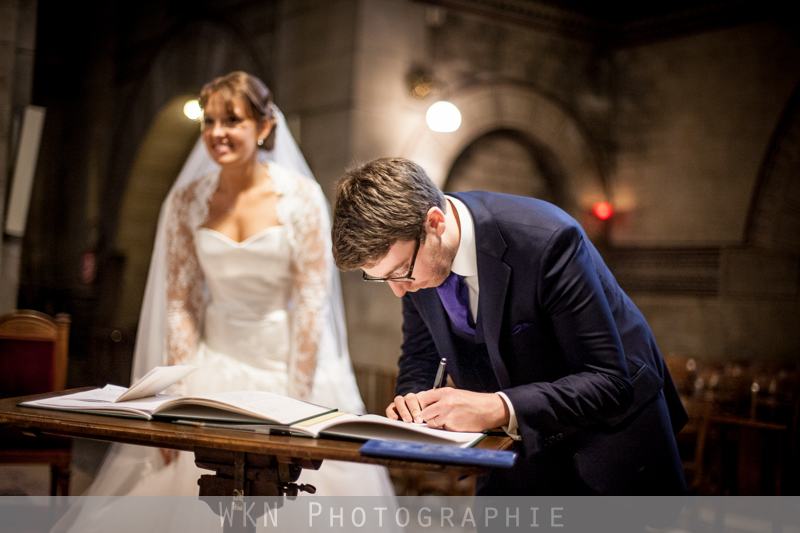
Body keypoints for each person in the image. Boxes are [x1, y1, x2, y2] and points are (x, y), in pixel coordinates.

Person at [74, 72, 396, 499]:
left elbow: (311, 301)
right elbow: (181, 304)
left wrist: (298, 402)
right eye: (208, 121)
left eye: (232, 120)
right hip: (212, 367)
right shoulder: (186, 201)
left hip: (288, 365)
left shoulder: (301, 199)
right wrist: (176, 396)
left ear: (264, 127)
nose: (217, 132)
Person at [331, 157, 688, 496]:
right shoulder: (416, 266)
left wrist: (497, 407)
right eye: (381, 279)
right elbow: (420, 354)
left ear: (435, 222)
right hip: (512, 453)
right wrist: (412, 402)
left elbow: (608, 381)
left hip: (608, 447)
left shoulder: (546, 240)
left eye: (400, 272)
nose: (398, 290)